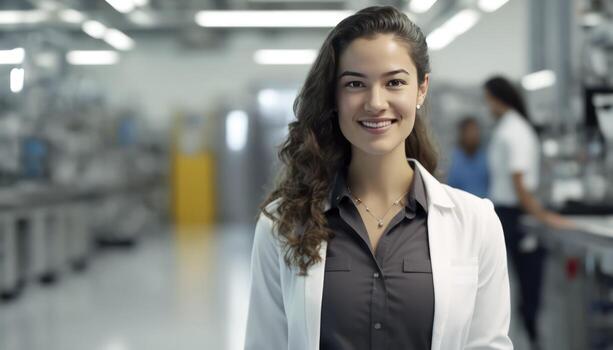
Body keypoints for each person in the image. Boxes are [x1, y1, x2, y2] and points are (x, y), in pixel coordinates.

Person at [245, 7, 513, 350]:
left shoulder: (476, 222)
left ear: (421, 89)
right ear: (334, 96)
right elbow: (265, 343)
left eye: (395, 83)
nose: (375, 102)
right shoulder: (283, 223)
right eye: (355, 84)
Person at [483, 76, 574, 350]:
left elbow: (519, 183)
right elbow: (518, 183)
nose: (487, 106)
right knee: (514, 284)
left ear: (498, 98)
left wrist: (541, 216)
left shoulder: (514, 131)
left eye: (487, 99)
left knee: (520, 286)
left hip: (515, 214)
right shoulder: (512, 129)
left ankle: (530, 339)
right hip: (510, 212)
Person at [447, 116, 489, 198]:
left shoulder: (485, 158)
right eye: (469, 131)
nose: (472, 135)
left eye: (475, 131)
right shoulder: (454, 160)